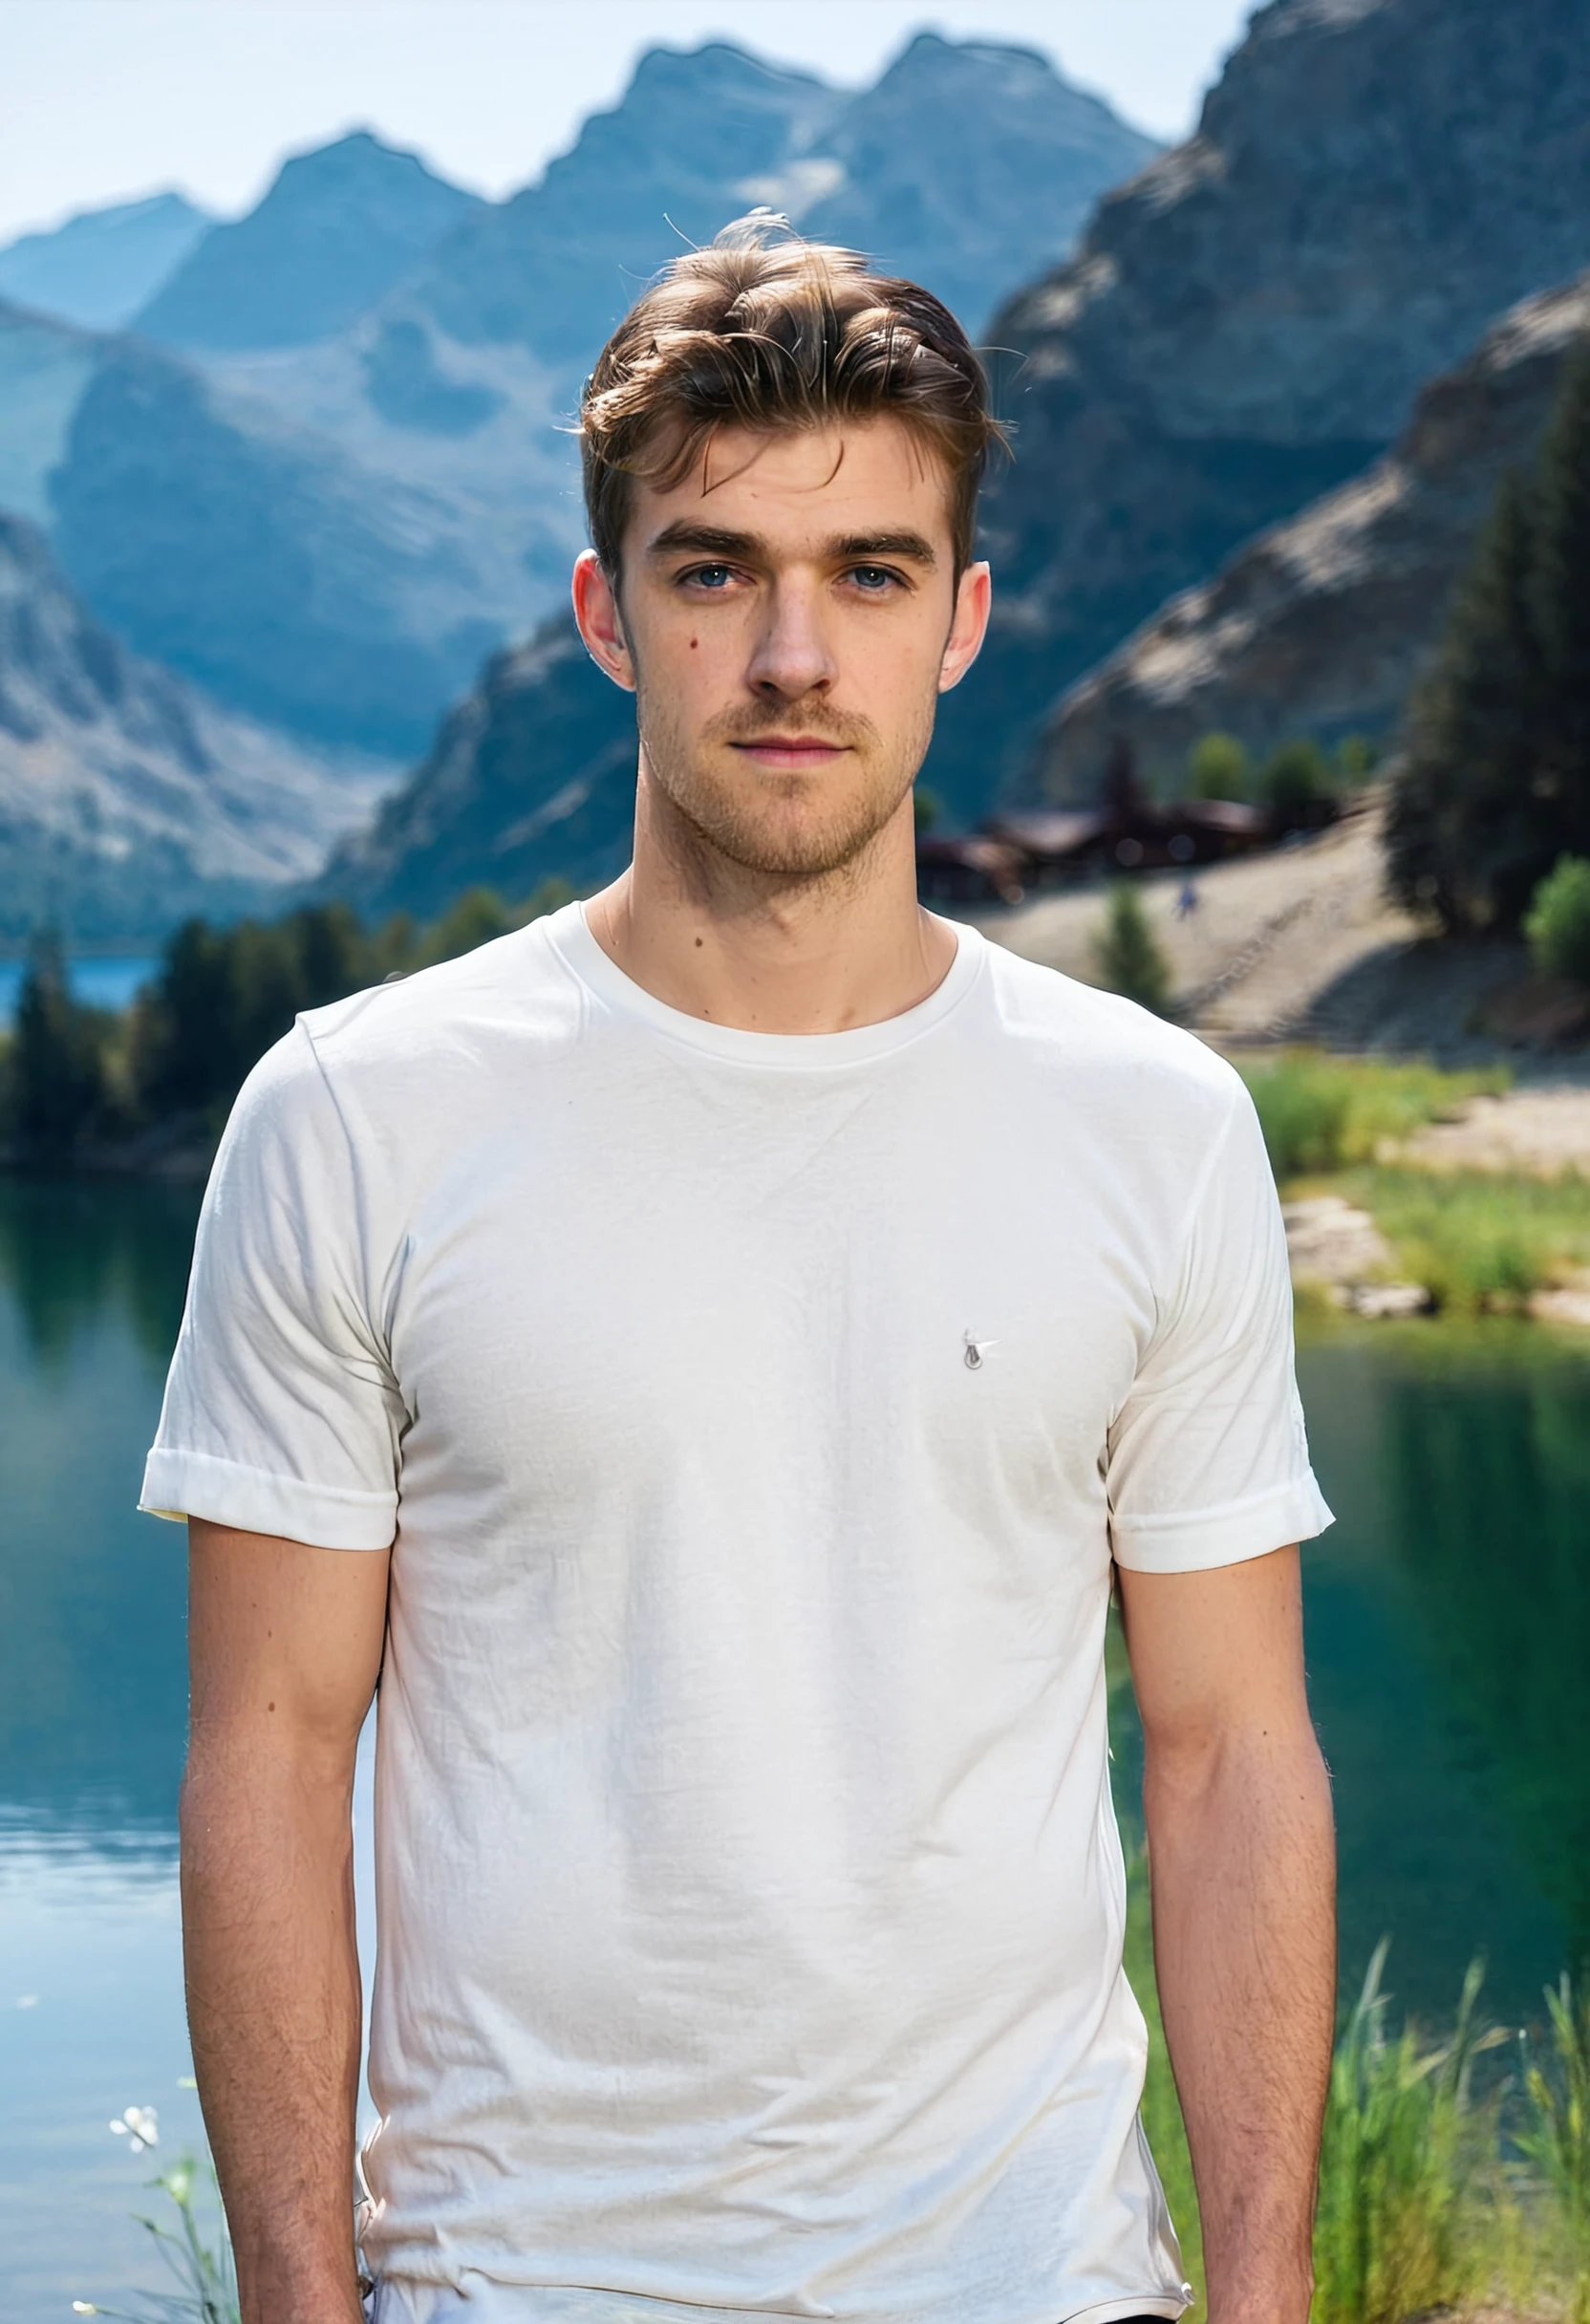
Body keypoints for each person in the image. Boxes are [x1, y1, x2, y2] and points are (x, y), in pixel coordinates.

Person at [144, 219, 1337, 2324]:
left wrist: (1257, 2298)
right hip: (517, 2284)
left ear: (960, 621)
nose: (795, 658)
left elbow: (1231, 1751)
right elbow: (268, 1750)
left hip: (1040, 2279)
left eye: (868, 574)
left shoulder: (1154, 1125)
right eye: (717, 573)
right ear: (608, 614)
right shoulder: (356, 1111)